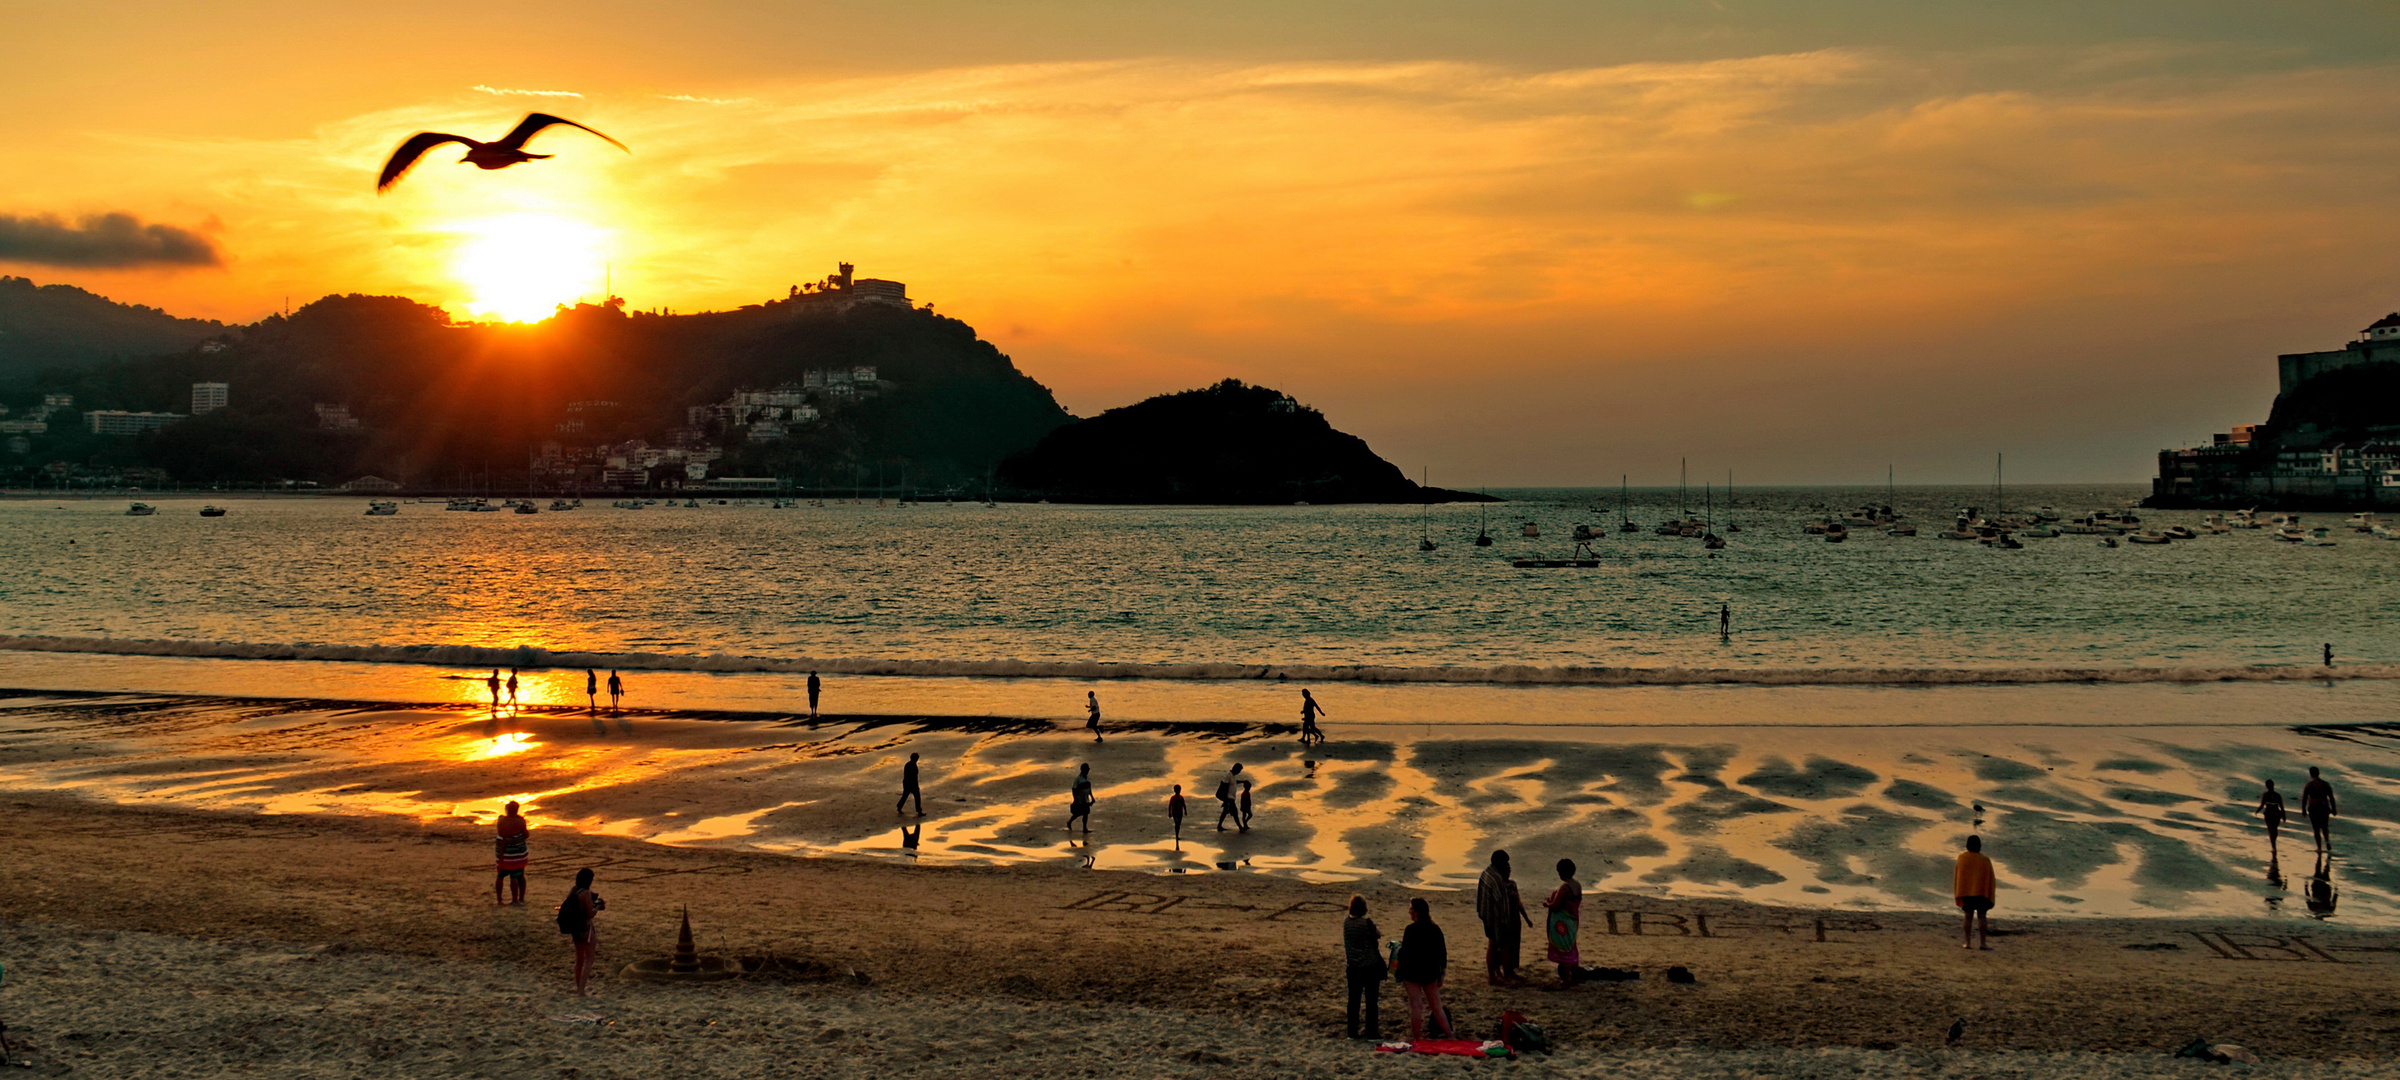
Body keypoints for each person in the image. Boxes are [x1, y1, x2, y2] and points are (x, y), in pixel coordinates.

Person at [1395, 897, 1451, 1039]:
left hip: (1412, 973)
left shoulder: (1410, 929)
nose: (1409, 912)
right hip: (1429, 972)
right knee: (1437, 1007)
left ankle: (1417, 1037)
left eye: (1411, 909)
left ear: (1417, 912)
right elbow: (1442, 952)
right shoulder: (1435, 929)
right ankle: (1450, 1035)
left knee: (1416, 1006)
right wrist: (1442, 973)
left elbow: (1405, 953)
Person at [1475, 850, 1533, 984]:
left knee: (1497, 945)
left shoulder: (1487, 874)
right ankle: (1500, 974)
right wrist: (1504, 922)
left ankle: (1500, 974)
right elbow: (1500, 904)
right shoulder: (1496, 880)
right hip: (1497, 919)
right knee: (1501, 946)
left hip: (1490, 916)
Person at [1341, 895, 1386, 1039]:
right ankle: (1371, 1031)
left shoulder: (1346, 922)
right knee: (1371, 1001)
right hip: (1369, 966)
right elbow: (1378, 934)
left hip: (1352, 966)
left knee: (1353, 1000)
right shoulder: (1366, 923)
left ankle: (1352, 1032)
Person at [559, 867, 606, 995]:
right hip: (585, 927)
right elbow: (590, 913)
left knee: (579, 959)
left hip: (575, 927)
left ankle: (578, 986)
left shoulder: (574, 890)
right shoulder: (586, 893)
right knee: (589, 958)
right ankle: (581, 989)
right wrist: (598, 907)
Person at [1543, 858, 1582, 985]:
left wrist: (1547, 903)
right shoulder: (1577, 885)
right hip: (1573, 921)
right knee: (1571, 947)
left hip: (1564, 923)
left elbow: (1555, 906)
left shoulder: (1565, 888)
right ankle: (1575, 977)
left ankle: (1566, 980)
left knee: (1564, 950)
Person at [1954, 834, 1997, 950]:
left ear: (1967, 845)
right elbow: (1990, 878)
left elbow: (1959, 876)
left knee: (1968, 916)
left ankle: (1967, 943)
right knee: (1982, 916)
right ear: (1979, 846)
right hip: (1981, 892)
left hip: (1967, 891)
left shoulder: (1962, 858)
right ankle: (1983, 943)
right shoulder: (1984, 860)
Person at [493, 801, 530, 906]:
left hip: (502, 854)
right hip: (515, 855)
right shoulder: (520, 822)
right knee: (517, 876)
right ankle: (518, 899)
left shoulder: (501, 820)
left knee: (500, 876)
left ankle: (499, 900)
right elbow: (526, 834)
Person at [2301, 766, 2338, 854]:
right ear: (2318, 773)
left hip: (2314, 807)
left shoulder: (2309, 785)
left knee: (2316, 828)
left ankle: (2319, 847)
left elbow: (2305, 798)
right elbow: (2331, 797)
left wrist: (2303, 809)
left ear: (2311, 774)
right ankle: (2327, 841)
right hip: (2324, 806)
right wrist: (2334, 809)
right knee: (2325, 826)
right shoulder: (2325, 784)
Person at [2256, 779, 2287, 862]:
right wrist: (2284, 815)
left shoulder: (2265, 795)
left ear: (2266, 786)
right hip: (2276, 813)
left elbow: (2262, 805)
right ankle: (2274, 844)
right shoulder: (2277, 795)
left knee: (2271, 829)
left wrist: (2257, 811)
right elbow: (2282, 807)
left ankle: (2273, 846)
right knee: (2274, 829)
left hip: (2269, 813)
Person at [1216, 763, 1246, 832]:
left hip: (1231, 797)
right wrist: (1226, 800)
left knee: (1224, 812)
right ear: (1236, 769)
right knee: (1235, 812)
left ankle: (1219, 826)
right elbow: (1225, 787)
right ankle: (1240, 827)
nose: (1239, 772)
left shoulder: (1233, 776)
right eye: (1239, 770)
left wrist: (1243, 781)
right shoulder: (1228, 775)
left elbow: (1234, 782)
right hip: (1229, 797)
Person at [1068, 763, 1095, 833]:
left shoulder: (1088, 779)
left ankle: (1084, 828)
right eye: (1086, 770)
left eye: (1088, 770)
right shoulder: (1078, 779)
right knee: (1078, 813)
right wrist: (1075, 798)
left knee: (1086, 813)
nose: (1087, 771)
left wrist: (1092, 797)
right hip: (1080, 799)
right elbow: (1074, 789)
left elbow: (1089, 789)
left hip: (1086, 799)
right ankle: (1069, 822)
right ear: (1082, 770)